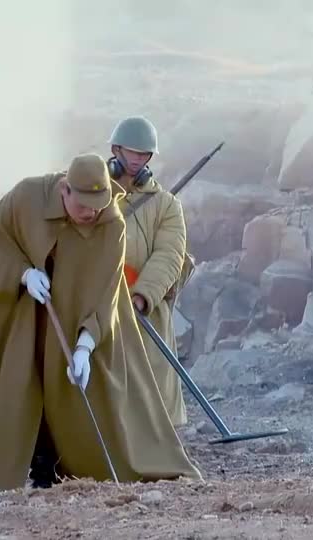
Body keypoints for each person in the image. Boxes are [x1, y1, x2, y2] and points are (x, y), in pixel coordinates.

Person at [0, 153, 201, 490]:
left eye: (98, 206)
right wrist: (23, 274)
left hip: (78, 319)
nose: (91, 214)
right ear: (64, 191)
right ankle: (29, 464)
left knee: (77, 393)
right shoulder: (26, 198)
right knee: (20, 384)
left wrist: (85, 345)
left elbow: (104, 293)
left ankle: (65, 464)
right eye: (83, 206)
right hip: (24, 317)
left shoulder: (110, 224)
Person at [106, 116, 189, 427]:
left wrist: (141, 297)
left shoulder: (166, 205)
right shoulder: (91, 194)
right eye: (132, 152)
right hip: (96, 306)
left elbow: (170, 254)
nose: (138, 159)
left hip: (143, 309)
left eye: (144, 154)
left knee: (152, 395)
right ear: (115, 150)